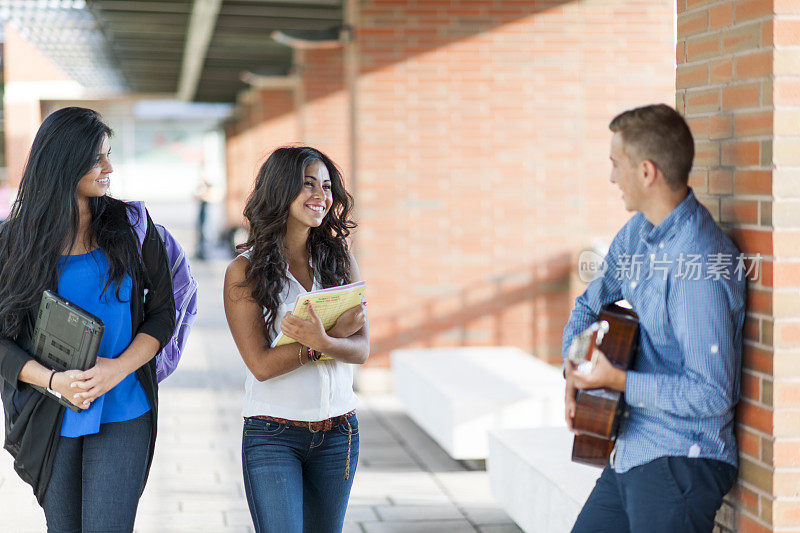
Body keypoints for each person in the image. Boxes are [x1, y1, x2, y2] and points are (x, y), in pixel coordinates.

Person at [563, 104, 745, 532]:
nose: (611, 177)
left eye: (616, 164)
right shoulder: (637, 234)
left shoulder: (699, 264)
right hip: (632, 446)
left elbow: (713, 393)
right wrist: (574, 370)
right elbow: (588, 307)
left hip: (683, 459)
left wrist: (617, 380)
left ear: (646, 172)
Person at [0, 107, 175, 531]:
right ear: (65, 159)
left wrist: (116, 369)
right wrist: (54, 381)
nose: (108, 168)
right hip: (49, 413)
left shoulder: (133, 226)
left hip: (124, 406)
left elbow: (162, 313)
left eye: (108, 155)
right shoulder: (12, 242)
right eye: (98, 158)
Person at [223, 146, 369, 533]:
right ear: (280, 190)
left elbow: (362, 349)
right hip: (273, 435)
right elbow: (261, 365)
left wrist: (326, 340)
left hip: (340, 432)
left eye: (325, 186)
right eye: (307, 185)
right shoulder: (244, 271)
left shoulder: (340, 262)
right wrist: (325, 341)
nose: (320, 196)